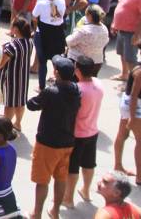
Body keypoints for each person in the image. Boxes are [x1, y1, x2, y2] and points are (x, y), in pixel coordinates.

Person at [27, 55, 81, 219]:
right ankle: (55, 211)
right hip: (67, 141)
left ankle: (37, 213)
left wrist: (49, 86)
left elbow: (31, 104)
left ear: (56, 72)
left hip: (48, 142)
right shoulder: (75, 89)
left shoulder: (51, 91)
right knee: (60, 177)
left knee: (42, 180)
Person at [63, 56, 104, 208]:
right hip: (92, 131)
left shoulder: (77, 89)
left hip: (77, 134)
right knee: (88, 164)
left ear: (77, 70)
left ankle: (68, 198)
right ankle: (86, 191)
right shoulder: (99, 84)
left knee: (72, 168)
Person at [0, 17, 33, 131]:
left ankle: (5, 127)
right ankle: (18, 123)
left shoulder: (12, 46)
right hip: (23, 77)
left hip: (11, 79)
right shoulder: (29, 42)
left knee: (9, 103)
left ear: (16, 29)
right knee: (20, 102)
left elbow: (1, 64)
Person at [34, 0, 67, 90]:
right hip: (57, 34)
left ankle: (41, 87)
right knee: (57, 62)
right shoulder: (62, 1)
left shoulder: (41, 3)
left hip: (43, 34)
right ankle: (60, 84)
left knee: (42, 62)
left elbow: (34, 15)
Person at [115, 59, 141, 177]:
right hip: (134, 106)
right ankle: (140, 177)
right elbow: (134, 96)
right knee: (139, 141)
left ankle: (118, 166)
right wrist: (132, 117)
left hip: (129, 103)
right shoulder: (139, 72)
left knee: (122, 135)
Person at [114, 0, 141, 81]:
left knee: (130, 58)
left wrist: (137, 34)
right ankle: (124, 75)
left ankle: (134, 83)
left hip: (131, 32)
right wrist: (114, 24)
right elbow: (120, 6)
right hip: (121, 29)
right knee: (122, 54)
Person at [66, 5, 109, 75]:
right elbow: (106, 41)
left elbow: (69, 41)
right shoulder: (104, 29)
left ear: (89, 16)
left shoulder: (84, 30)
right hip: (97, 63)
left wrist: (74, 32)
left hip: (80, 63)